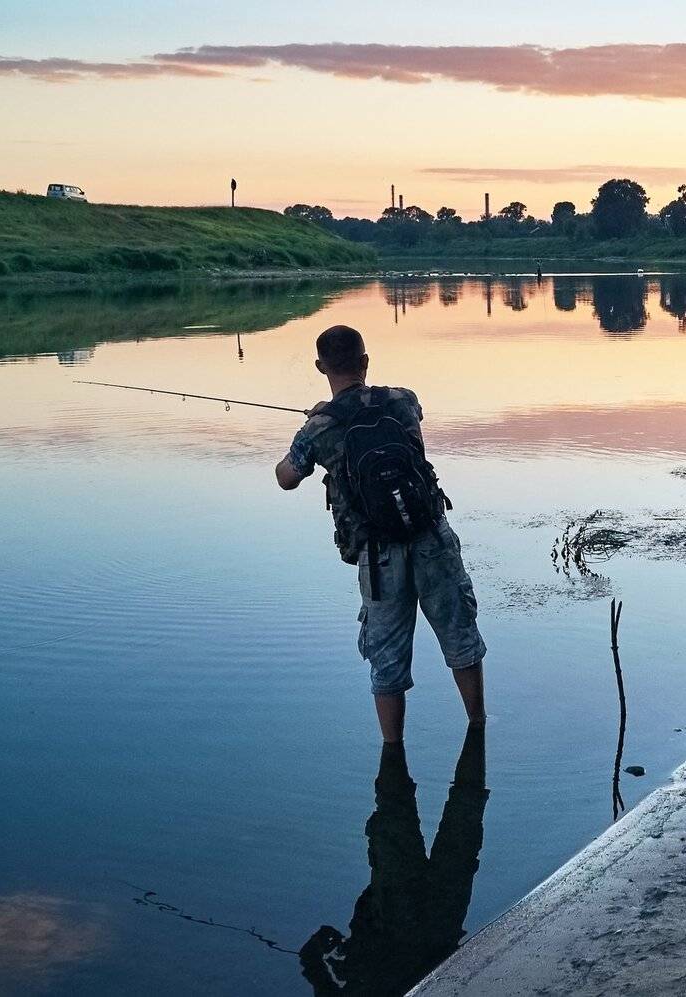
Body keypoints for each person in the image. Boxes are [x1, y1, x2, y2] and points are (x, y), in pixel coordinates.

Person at [276, 325, 486, 742]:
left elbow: (286, 478)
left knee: (386, 660)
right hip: (431, 537)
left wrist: (319, 421)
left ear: (321, 367)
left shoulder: (318, 429)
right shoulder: (403, 401)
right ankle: (478, 725)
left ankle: (393, 753)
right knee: (460, 636)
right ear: (365, 361)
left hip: (378, 555)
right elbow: (406, 421)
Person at [299, 724, 488, 995]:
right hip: (400, 920)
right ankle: (476, 725)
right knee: (406, 809)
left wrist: (321, 950)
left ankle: (472, 730)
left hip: (415, 927)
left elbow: (311, 961)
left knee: (456, 812)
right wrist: (322, 947)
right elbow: (310, 958)